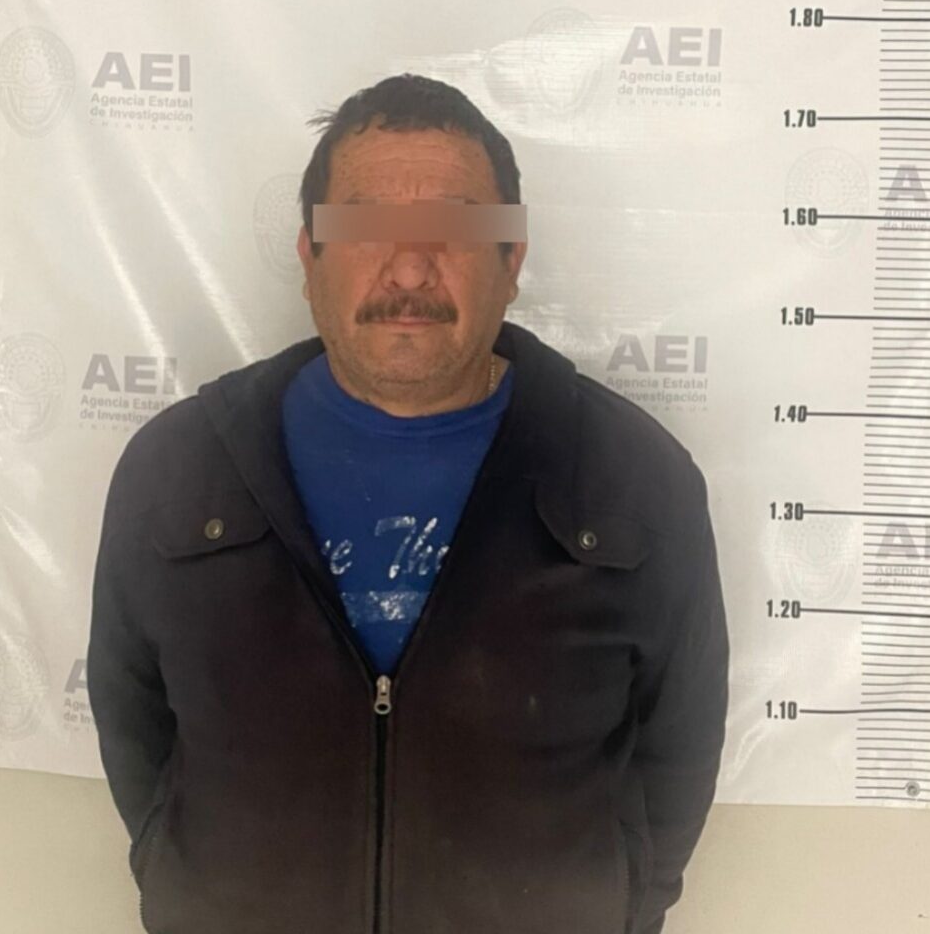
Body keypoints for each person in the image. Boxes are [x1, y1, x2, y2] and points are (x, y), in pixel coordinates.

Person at [87, 72, 729, 934]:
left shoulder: (634, 477)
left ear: (511, 259)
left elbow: (677, 748)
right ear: (310, 256)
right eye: (365, 226)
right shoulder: (178, 467)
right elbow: (133, 724)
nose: (409, 267)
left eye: (456, 228)